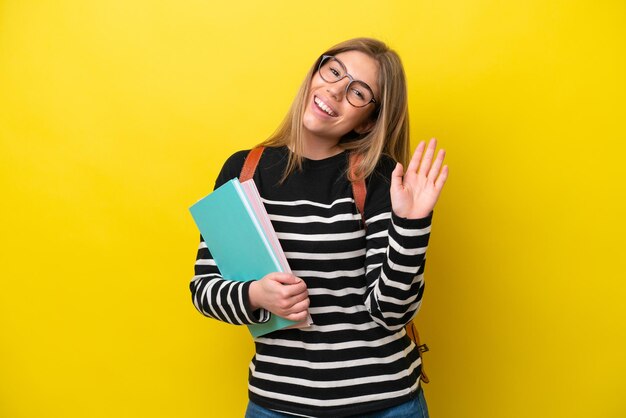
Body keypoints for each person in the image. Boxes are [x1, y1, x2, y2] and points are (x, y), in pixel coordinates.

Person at [190, 37, 448, 417]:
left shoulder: (378, 178)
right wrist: (256, 296)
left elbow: (391, 312)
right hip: (278, 405)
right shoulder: (243, 172)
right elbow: (204, 289)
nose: (336, 91)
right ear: (315, 72)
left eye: (358, 92)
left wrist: (413, 224)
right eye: (333, 71)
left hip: (385, 404)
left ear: (370, 120)